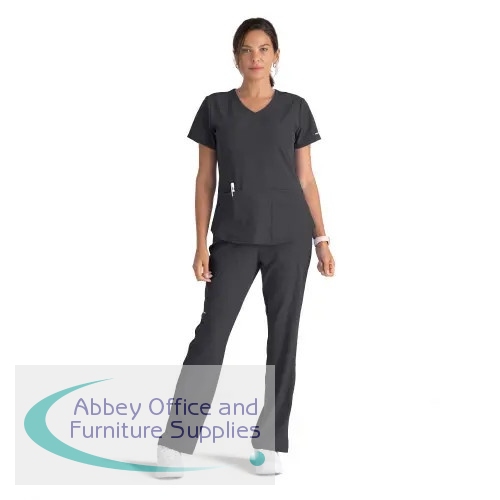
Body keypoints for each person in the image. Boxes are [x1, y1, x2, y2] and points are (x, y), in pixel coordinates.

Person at [156, 17, 335, 478]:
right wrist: (200, 243)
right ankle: (177, 439)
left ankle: (268, 442)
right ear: (235, 57)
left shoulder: (296, 109)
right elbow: (205, 180)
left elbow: (306, 179)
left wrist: (321, 238)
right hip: (233, 238)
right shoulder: (215, 108)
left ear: (276, 55)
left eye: (263, 49)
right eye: (246, 49)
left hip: (290, 239)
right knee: (211, 334)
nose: (255, 57)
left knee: (283, 339)